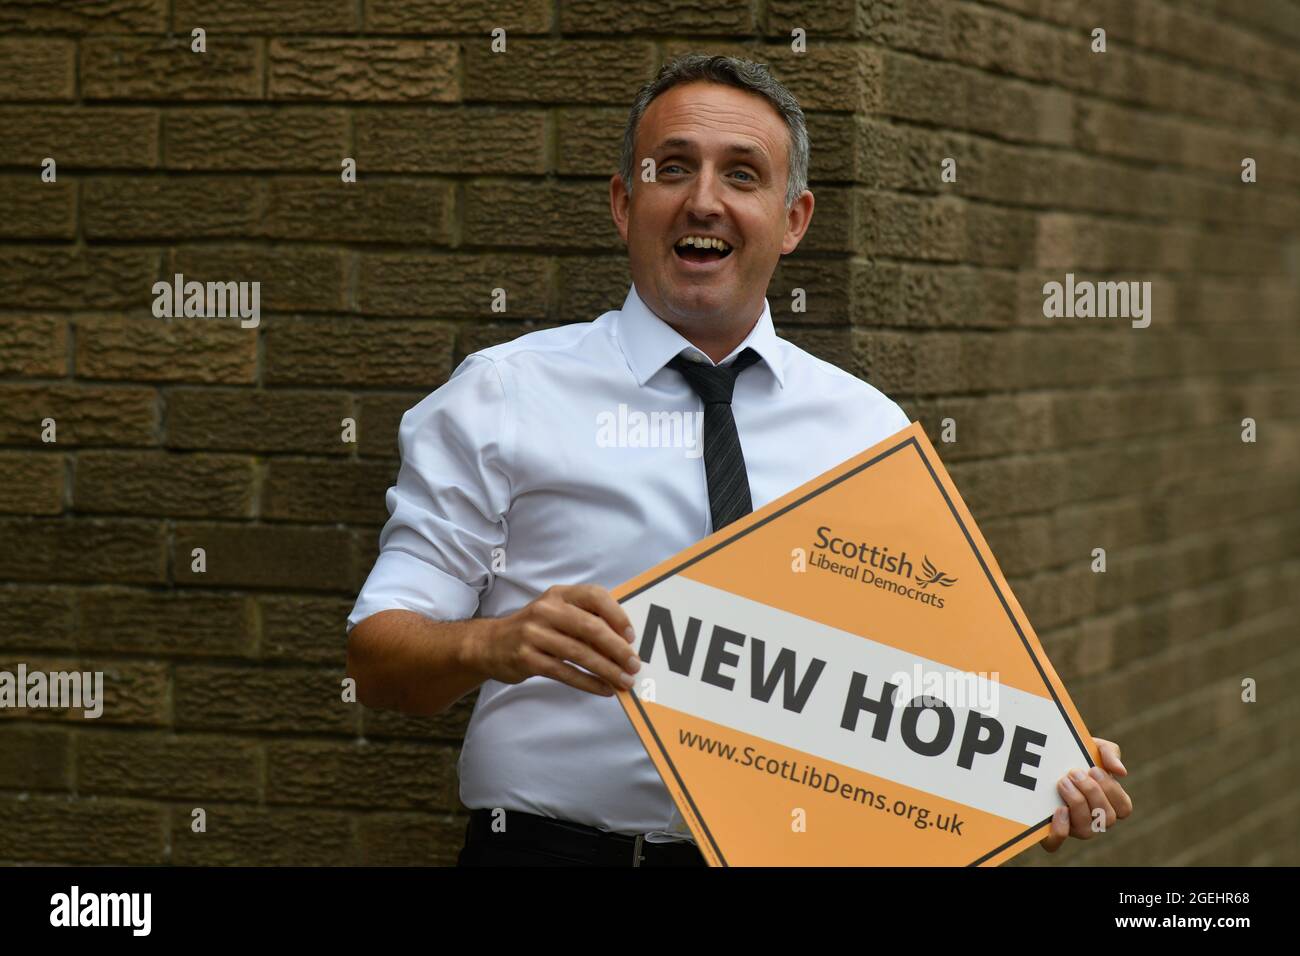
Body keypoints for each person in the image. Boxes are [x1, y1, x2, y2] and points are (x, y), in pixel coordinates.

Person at [345, 54, 1133, 866]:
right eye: (673, 168)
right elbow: (378, 660)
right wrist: (493, 643)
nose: (704, 200)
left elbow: (919, 689)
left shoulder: (869, 431)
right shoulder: (501, 396)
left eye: (743, 175)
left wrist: (1038, 768)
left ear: (794, 220)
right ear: (625, 203)